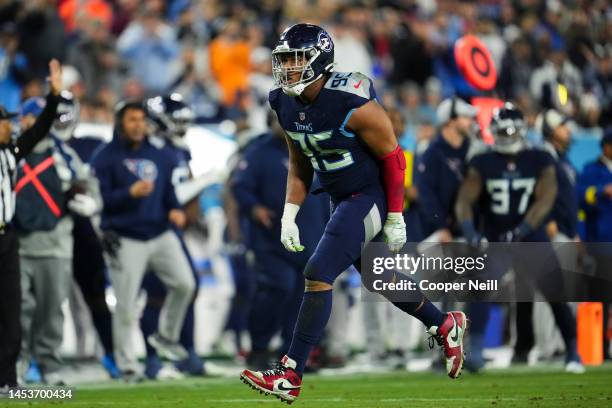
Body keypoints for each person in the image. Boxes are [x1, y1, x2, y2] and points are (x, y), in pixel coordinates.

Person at [240, 24, 467, 404]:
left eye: (296, 60)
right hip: (338, 196)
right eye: (283, 60)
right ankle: (445, 324)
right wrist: (289, 214)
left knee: (318, 272)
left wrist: (395, 215)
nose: (287, 69)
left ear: (320, 59)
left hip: (369, 194)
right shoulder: (282, 100)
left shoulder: (351, 100)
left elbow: (394, 159)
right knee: (381, 279)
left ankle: (290, 372)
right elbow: (299, 160)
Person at [455, 103, 584, 374]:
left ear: (523, 130)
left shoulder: (539, 157)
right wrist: (470, 231)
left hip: (531, 234)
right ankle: (475, 348)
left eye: (512, 129)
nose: (508, 134)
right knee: (480, 289)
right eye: (503, 130)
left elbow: (546, 198)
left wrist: (523, 229)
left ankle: (573, 351)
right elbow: (465, 199)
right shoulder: (483, 160)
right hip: (496, 235)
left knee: (555, 292)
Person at [91, 100, 195, 380]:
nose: (138, 125)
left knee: (185, 284)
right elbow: (98, 201)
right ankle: (127, 365)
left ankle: (166, 337)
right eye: (132, 120)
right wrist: (129, 193)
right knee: (125, 305)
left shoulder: (160, 154)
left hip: (161, 233)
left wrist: (175, 208)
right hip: (125, 237)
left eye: (141, 120)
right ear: (120, 124)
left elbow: (168, 191)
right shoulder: (105, 157)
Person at [16, 91, 102, 386]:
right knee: (18, 313)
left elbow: (88, 187)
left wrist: (89, 202)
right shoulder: (12, 150)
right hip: (18, 245)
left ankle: (49, 365)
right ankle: (18, 364)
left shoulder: (64, 153)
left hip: (56, 244)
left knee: (51, 312)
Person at [231, 111, 328, 369]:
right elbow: (239, 187)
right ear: (269, 122)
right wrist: (254, 208)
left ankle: (292, 355)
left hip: (310, 236)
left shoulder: (314, 149)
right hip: (270, 239)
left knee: (303, 297)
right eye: (280, 119)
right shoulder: (258, 153)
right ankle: (259, 347)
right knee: (279, 288)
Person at [0, 59, 61, 394]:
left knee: (12, 310)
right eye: (4, 123)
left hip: (7, 238)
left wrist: (52, 97)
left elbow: (40, 130)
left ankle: (8, 380)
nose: (10, 127)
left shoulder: (11, 152)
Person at [140, 93, 204, 379]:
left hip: (174, 232)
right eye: (176, 121)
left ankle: (186, 354)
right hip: (151, 231)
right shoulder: (147, 150)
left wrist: (192, 213)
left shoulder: (179, 149)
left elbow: (187, 182)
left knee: (188, 288)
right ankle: (153, 360)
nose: (182, 127)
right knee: (156, 295)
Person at [577, 128, 612, 360]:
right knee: (603, 295)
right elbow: (581, 198)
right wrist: (601, 191)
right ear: (605, 146)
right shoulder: (591, 170)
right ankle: (601, 347)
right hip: (602, 241)